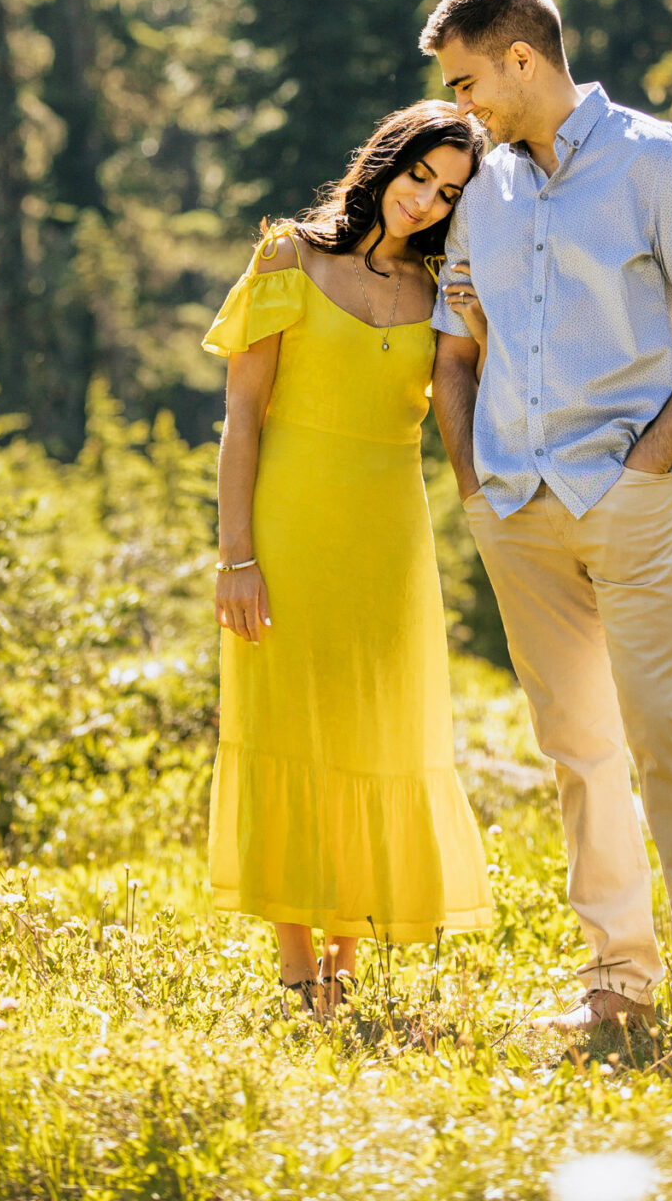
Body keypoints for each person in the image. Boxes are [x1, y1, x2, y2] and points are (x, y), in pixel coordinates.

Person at [424, 0, 672, 1035]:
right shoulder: (483, 191)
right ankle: (619, 980)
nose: (460, 104)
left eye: (468, 79)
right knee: (578, 749)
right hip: (519, 512)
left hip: (631, 497)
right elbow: (454, 355)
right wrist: (476, 491)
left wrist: (651, 464)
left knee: (665, 730)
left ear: (523, 57)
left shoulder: (657, 162)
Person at [205, 101, 494, 1016]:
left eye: (449, 192)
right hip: (288, 524)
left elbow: (470, 393)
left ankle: (345, 957)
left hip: (389, 532)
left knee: (375, 722)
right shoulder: (288, 256)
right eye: (420, 175)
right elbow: (242, 417)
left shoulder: (447, 283)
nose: (426, 201)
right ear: (387, 160)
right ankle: (299, 971)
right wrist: (236, 557)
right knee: (290, 721)